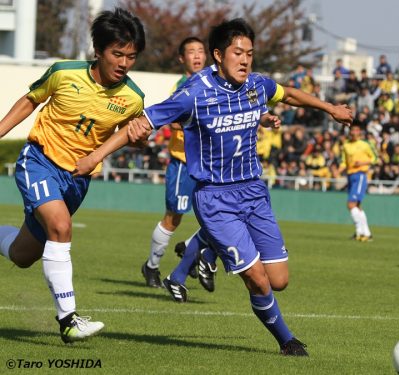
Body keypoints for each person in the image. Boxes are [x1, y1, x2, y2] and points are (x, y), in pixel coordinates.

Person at [75, 18, 352, 356]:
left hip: (253, 192)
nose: (246, 60)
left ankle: (207, 247)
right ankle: (287, 341)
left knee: (279, 279)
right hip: (215, 198)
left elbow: (289, 95)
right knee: (258, 280)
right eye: (238, 53)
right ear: (218, 55)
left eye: (250, 53)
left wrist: (331, 109)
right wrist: (94, 156)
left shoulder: (256, 85)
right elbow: (144, 121)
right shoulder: (193, 93)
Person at [0, 8, 146, 343]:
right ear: (98, 50)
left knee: (23, 255)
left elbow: (130, 137)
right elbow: (30, 100)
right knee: (61, 227)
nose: (124, 63)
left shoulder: (133, 98)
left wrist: (140, 139)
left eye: (131, 57)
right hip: (40, 161)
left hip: (77, 181)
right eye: (117, 54)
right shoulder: (63, 73)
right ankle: (68, 319)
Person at [140, 36, 218, 293]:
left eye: (200, 51)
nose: (196, 56)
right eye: (191, 52)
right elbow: (172, 118)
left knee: (217, 215)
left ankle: (188, 248)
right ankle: (152, 266)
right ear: (181, 59)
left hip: (208, 164)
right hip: (184, 162)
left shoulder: (214, 82)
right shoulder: (182, 86)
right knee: (174, 218)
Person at [338, 124, 377, 241]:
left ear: (360, 132)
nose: (354, 132)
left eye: (356, 130)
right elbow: (344, 162)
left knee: (351, 204)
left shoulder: (365, 144)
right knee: (357, 206)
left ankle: (361, 233)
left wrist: (363, 163)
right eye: (352, 130)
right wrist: (338, 170)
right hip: (350, 176)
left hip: (360, 175)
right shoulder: (346, 145)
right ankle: (366, 233)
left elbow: (375, 158)